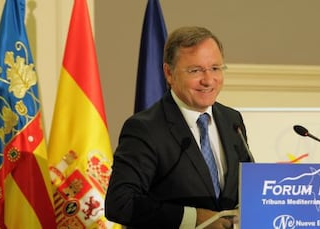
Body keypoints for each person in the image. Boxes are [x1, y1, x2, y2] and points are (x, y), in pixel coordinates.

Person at [105, 26, 252, 229]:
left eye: (215, 68)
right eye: (195, 70)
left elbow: (241, 191)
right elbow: (120, 203)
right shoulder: (145, 128)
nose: (208, 80)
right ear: (169, 73)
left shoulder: (232, 120)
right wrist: (194, 218)